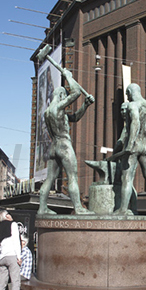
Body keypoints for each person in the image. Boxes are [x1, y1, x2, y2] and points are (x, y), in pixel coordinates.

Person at [37, 64, 95, 215]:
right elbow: (76, 92)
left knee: (49, 179)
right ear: (62, 96)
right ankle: (78, 208)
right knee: (72, 177)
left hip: (53, 147)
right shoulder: (57, 108)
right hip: (63, 144)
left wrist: (85, 105)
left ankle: (42, 207)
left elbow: (74, 118)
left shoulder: (48, 112)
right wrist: (68, 76)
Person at [111, 77, 146, 216]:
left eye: (127, 94)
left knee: (127, 178)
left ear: (130, 92)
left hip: (134, 144)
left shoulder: (133, 105)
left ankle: (122, 209)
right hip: (145, 144)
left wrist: (129, 145)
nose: (127, 96)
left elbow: (135, 123)